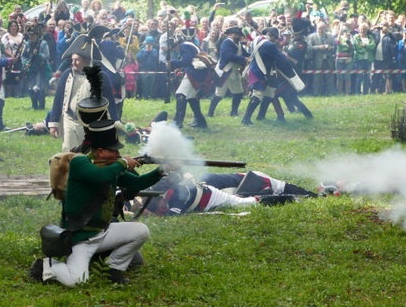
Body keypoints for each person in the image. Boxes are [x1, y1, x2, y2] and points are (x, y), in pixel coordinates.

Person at [29, 119, 165, 285]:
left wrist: (161, 170)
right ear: (100, 151)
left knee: (141, 231)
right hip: (81, 238)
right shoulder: (80, 163)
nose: (118, 154)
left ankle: (113, 269)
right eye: (114, 151)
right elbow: (98, 176)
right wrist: (122, 163)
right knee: (77, 281)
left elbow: (137, 183)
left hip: (103, 232)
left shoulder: (112, 167)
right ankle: (45, 266)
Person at [141, 170, 315, 216]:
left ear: (162, 199)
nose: (162, 210)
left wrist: (156, 215)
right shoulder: (171, 195)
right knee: (245, 199)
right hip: (209, 196)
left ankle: (289, 198)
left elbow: (173, 215)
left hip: (213, 198)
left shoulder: (176, 194)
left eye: (160, 207)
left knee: (250, 203)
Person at [242, 27, 309, 124]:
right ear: (272, 36)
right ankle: (246, 119)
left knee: (269, 94)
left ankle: (261, 117)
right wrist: (290, 71)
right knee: (257, 96)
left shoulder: (255, 40)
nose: (276, 40)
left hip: (259, 71)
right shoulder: (269, 45)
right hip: (260, 72)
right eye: (276, 38)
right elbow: (282, 59)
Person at [207, 26, 248, 117]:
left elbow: (245, 54)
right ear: (231, 34)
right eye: (236, 34)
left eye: (239, 35)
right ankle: (210, 113)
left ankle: (234, 112)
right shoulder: (227, 43)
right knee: (219, 94)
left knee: (238, 93)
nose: (237, 36)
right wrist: (244, 59)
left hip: (233, 72)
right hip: (225, 72)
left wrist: (250, 55)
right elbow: (229, 56)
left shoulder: (239, 44)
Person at [22, 22, 51, 110]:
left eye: (33, 35)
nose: (31, 37)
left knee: (40, 87)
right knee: (31, 87)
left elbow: (46, 56)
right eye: (30, 35)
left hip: (40, 68)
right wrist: (25, 62)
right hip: (31, 68)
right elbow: (23, 56)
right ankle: (34, 105)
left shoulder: (43, 44)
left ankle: (41, 106)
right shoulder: (27, 44)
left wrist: (38, 54)